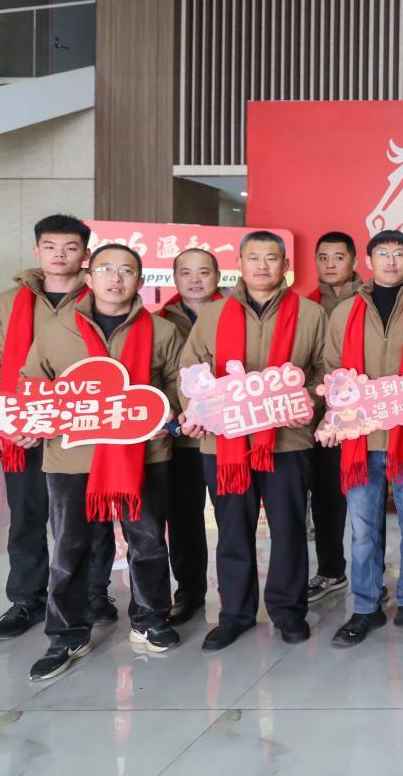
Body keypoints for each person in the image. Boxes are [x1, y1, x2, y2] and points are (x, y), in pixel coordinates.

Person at [21, 244, 184, 679]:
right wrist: (29, 421)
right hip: (71, 457)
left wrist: (167, 415)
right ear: (89, 278)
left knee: (148, 541)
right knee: (69, 547)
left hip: (143, 454)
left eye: (127, 270)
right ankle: (67, 633)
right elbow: (32, 385)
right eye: (106, 269)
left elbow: (181, 387)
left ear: (140, 281)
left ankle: (150, 620)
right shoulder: (56, 331)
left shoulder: (162, 332)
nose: (116, 278)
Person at [178, 231, 327, 651]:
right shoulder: (214, 314)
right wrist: (196, 411)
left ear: (285, 266)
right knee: (232, 531)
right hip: (225, 443)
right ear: (240, 264)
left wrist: (305, 402)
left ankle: (288, 610)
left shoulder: (311, 313)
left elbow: (325, 371)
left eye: (272, 258)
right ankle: (235, 614)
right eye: (254, 257)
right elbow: (190, 370)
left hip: (288, 441)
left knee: (289, 530)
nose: (263, 265)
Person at [0, 214, 116, 641]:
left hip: (82, 426)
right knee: (27, 515)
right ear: (37, 251)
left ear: (85, 254)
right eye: (51, 247)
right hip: (23, 426)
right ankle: (27, 600)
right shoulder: (7, 303)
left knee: (90, 516)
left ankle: (94, 593)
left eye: (70, 248)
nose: (60, 255)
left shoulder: (101, 297)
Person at [326, 230, 403, 647]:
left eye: (399, 254)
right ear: (369, 260)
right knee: (363, 531)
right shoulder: (345, 312)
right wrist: (338, 413)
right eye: (383, 254)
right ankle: (366, 608)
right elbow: (332, 370)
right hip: (361, 441)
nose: (391, 261)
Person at [155, 248, 222, 625]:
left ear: (218, 276)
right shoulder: (159, 322)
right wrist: (174, 417)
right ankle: (189, 592)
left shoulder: (235, 313)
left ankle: (236, 591)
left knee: (233, 518)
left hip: (227, 436)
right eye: (186, 272)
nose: (195, 279)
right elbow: (154, 378)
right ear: (175, 277)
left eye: (203, 272)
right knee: (183, 519)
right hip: (180, 439)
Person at [305, 231, 362, 604]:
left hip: (363, 417)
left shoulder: (370, 300)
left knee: (367, 499)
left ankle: (371, 574)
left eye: (338, 257)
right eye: (323, 257)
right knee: (326, 497)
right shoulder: (305, 307)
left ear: (354, 261)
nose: (330, 264)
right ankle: (330, 570)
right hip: (320, 420)